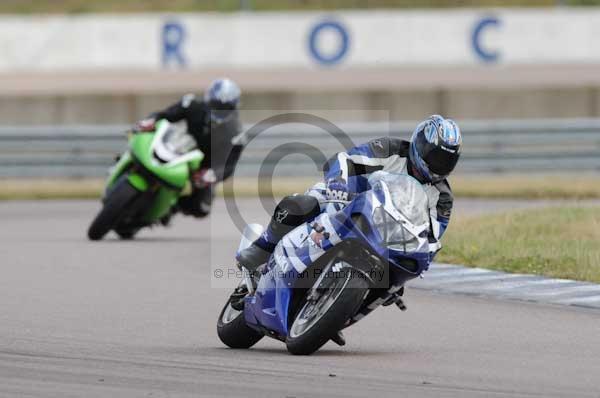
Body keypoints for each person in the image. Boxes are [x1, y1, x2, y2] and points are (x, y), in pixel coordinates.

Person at [237, 114, 462, 272]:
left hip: (386, 235)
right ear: (420, 143)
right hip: (346, 201)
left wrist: (422, 256)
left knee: (391, 285)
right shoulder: (390, 150)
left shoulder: (442, 197)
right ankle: (263, 247)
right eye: (435, 155)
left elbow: (431, 238)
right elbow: (347, 159)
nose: (438, 164)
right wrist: (338, 182)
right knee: (303, 204)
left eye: (446, 160)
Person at [135, 78, 246, 218]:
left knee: (201, 209)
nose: (219, 110)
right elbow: (166, 114)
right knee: (140, 136)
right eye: (216, 105)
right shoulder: (191, 105)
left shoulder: (235, 132)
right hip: (177, 147)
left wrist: (212, 174)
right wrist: (152, 120)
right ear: (208, 99)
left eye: (225, 107)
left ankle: (170, 208)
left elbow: (229, 164)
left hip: (201, 166)